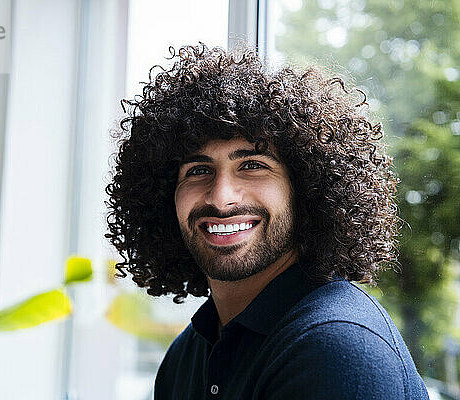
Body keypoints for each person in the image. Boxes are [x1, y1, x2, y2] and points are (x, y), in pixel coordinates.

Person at [105, 43, 429, 399]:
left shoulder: (336, 346)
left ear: (305, 188)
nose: (221, 196)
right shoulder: (186, 355)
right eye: (198, 170)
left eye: (252, 165)